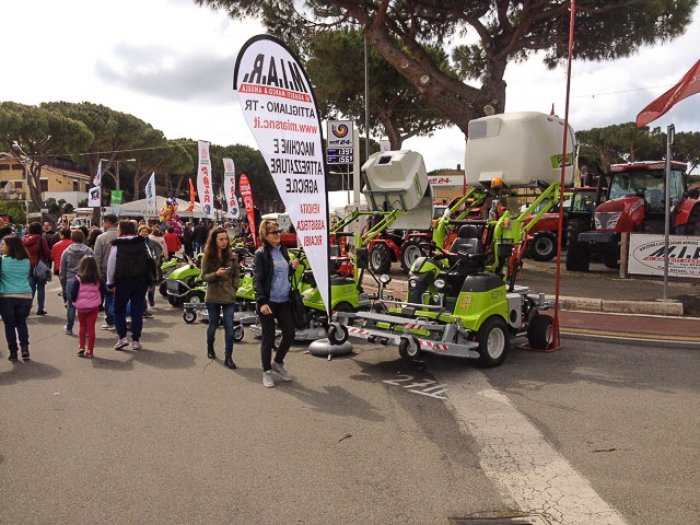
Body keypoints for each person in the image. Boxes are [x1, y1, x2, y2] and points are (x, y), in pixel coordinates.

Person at [253, 219, 299, 388]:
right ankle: (266, 372)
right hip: (268, 302)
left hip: (284, 299)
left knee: (290, 333)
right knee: (268, 337)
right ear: (265, 235)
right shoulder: (260, 254)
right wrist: (262, 302)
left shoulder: (283, 250)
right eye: (274, 232)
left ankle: (278, 363)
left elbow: (283, 273)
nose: (278, 234)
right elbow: (257, 280)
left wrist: (292, 267)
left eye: (279, 231)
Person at [106, 221, 157, 351]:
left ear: (121, 230)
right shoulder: (141, 243)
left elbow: (111, 265)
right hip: (140, 281)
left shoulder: (117, 245)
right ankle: (136, 340)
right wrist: (151, 281)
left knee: (119, 310)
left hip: (122, 281)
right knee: (137, 311)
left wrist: (110, 282)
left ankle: (122, 338)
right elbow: (149, 261)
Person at [201, 226, 240, 369]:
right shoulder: (208, 256)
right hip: (213, 296)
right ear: (215, 240)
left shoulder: (231, 256)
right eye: (221, 239)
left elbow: (236, 275)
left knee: (229, 327)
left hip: (229, 296)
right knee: (213, 324)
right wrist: (216, 274)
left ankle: (228, 357)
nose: (224, 242)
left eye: (225, 239)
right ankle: (210, 346)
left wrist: (235, 287)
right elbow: (203, 277)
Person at [0, 235, 34, 361]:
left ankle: (13, 352)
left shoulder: (2, 261)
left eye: (3, 244)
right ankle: (25, 348)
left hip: (7, 296)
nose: (1, 246)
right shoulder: (26, 260)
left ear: (10, 246)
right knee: (21, 323)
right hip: (25, 295)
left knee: (9, 326)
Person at [59, 230, 94, 336]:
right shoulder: (88, 251)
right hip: (85, 280)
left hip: (70, 280)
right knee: (86, 306)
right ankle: (86, 329)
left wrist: (63, 285)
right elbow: (93, 266)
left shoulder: (66, 252)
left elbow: (62, 271)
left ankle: (69, 327)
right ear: (83, 238)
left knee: (71, 306)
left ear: (72, 238)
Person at [70, 256, 103, 358]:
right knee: (91, 328)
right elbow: (102, 291)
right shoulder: (97, 279)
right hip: (93, 307)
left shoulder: (78, 279)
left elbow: (73, 292)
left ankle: (81, 346)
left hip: (82, 307)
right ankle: (90, 351)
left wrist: (74, 301)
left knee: (82, 326)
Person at [93, 214, 119, 330]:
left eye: (104, 223)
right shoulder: (122, 236)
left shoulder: (101, 238)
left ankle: (111, 320)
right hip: (122, 271)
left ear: (108, 223)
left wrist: (96, 273)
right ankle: (121, 319)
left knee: (108, 296)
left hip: (105, 271)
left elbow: (97, 257)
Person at [22, 221, 51, 316]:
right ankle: (40, 308)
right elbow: (47, 252)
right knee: (41, 288)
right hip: (39, 265)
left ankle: (27, 307)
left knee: (30, 288)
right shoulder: (41, 239)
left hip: (27, 264)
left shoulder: (23, 239)